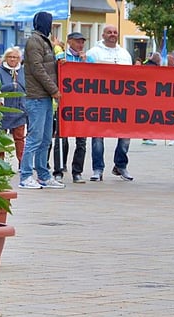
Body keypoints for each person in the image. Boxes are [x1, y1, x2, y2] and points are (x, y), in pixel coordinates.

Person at [20, 12, 63, 190]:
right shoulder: (35, 41)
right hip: (37, 96)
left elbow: (48, 67)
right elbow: (37, 69)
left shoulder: (44, 41)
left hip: (45, 97)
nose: (51, 25)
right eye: (50, 23)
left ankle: (44, 175)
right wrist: (54, 90)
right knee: (34, 138)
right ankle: (26, 175)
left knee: (46, 139)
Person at [86, 25, 134, 181]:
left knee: (126, 134)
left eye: (115, 32)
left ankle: (121, 165)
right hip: (99, 101)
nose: (112, 35)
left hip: (122, 101)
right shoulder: (93, 53)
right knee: (98, 135)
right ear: (103, 35)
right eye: (109, 32)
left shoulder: (125, 54)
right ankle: (97, 169)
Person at [60, 32, 96, 183]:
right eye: (77, 41)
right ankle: (60, 168)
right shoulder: (61, 58)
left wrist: (85, 63)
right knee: (62, 138)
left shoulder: (89, 59)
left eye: (82, 42)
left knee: (81, 140)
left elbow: (95, 78)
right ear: (69, 42)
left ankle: (77, 171)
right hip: (65, 103)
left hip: (82, 103)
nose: (80, 45)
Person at [0, 47, 27, 165]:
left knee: (20, 138)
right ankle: (0, 162)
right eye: (10, 57)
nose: (12, 59)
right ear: (5, 58)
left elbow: (26, 87)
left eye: (15, 57)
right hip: (4, 109)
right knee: (1, 137)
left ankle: (22, 163)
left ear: (19, 59)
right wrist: (12, 86)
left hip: (19, 109)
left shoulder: (22, 71)